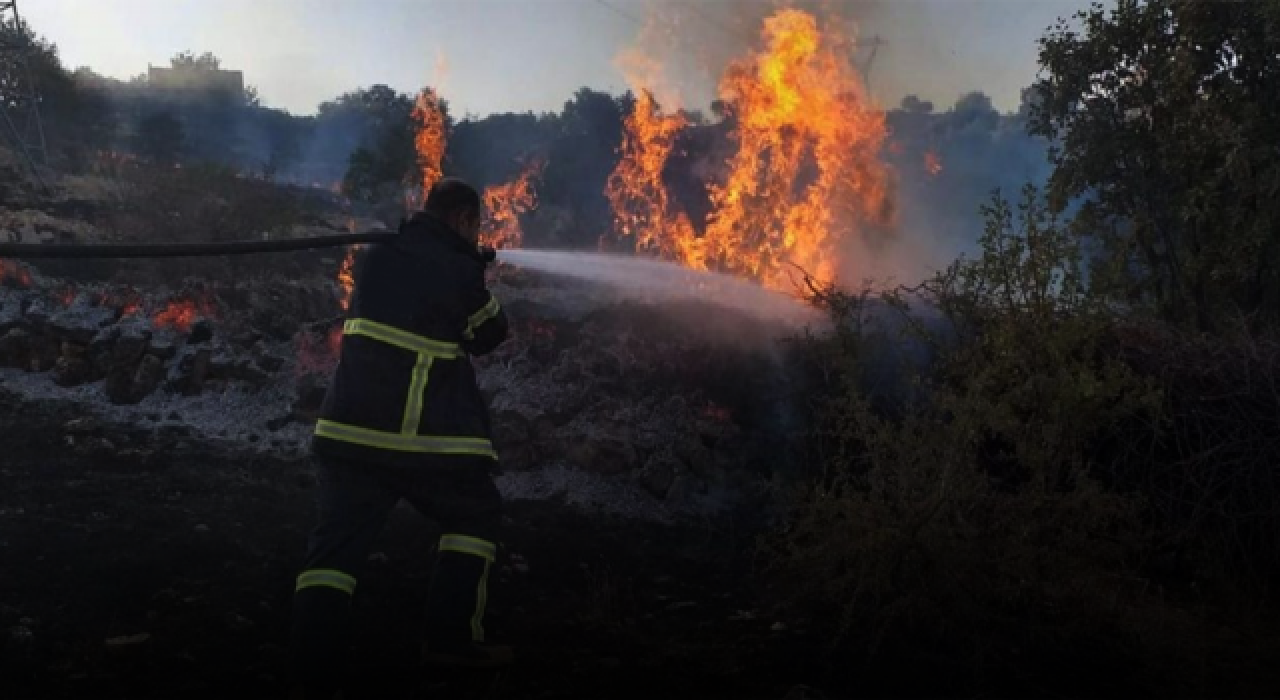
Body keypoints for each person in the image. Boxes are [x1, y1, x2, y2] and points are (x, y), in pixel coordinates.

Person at [288, 178, 511, 699]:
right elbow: (489, 334)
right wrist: (475, 269)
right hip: (420, 439)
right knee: (474, 516)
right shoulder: (459, 270)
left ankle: (311, 664)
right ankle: (452, 641)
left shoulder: (375, 257)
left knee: (335, 548)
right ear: (461, 220)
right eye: (474, 226)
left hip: (347, 431)